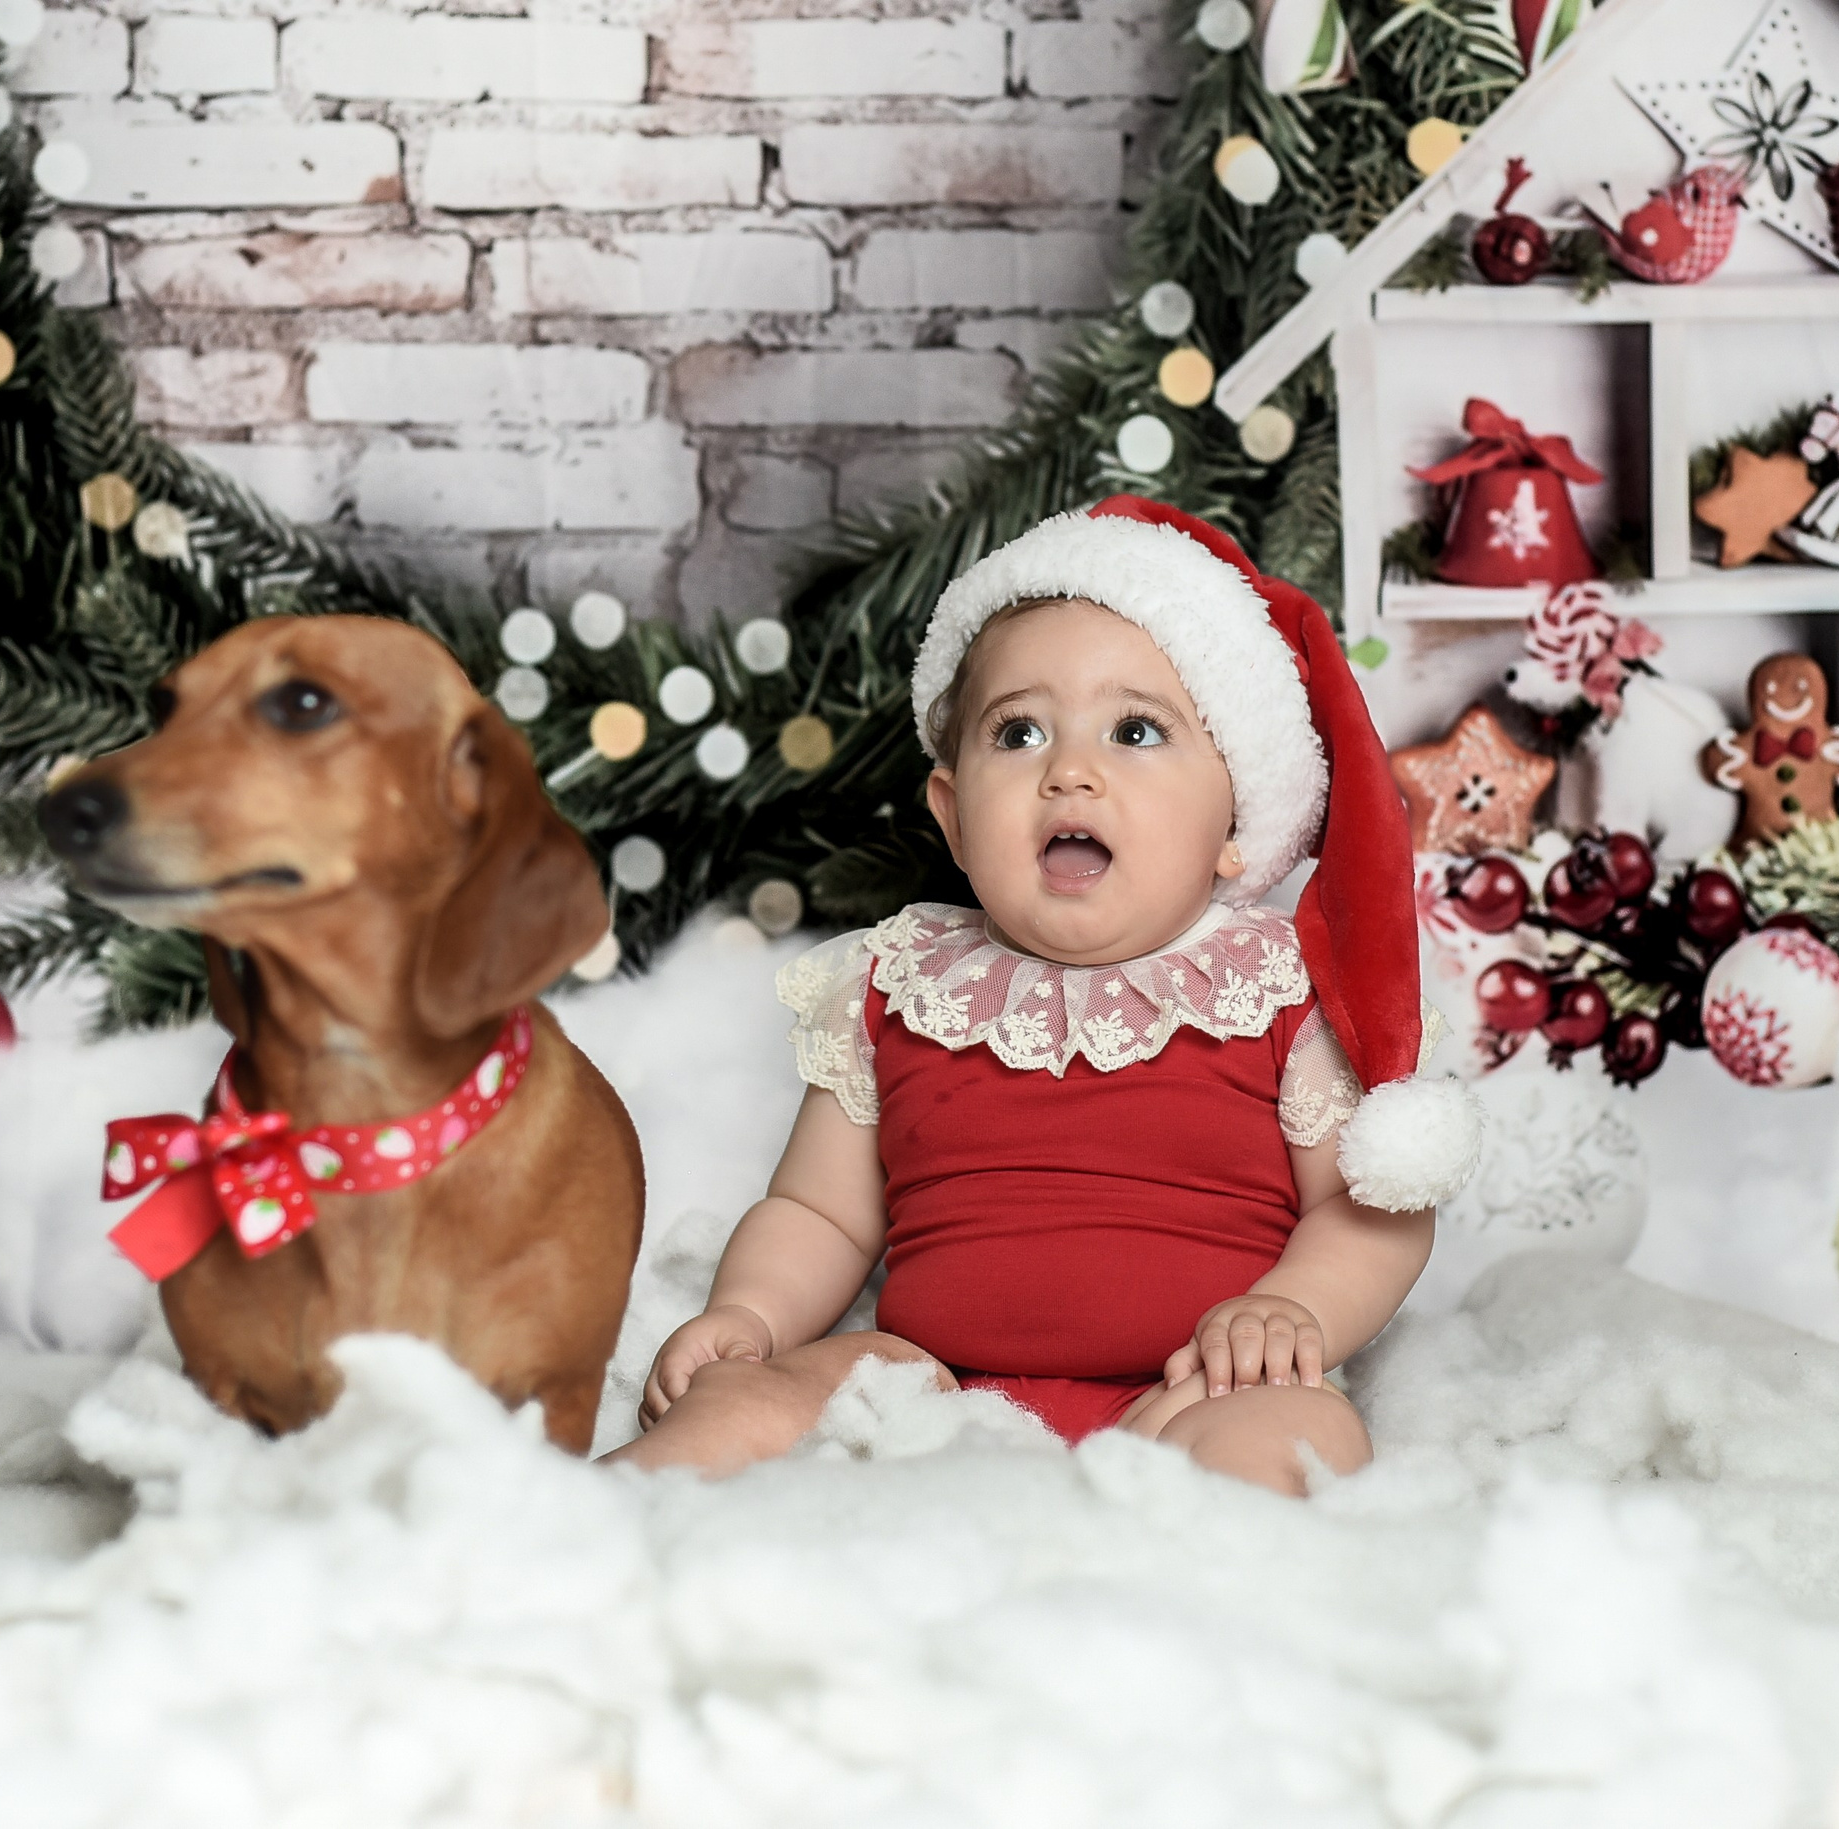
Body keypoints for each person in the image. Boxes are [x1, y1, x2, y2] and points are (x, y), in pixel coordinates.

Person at [607, 496, 1481, 1494]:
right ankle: (610, 1516)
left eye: (1135, 730)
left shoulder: (1274, 988)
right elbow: (819, 1209)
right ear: (951, 813)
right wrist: (749, 1316)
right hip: (930, 1385)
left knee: (1288, 1432)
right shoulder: (900, 982)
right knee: (761, 1400)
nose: (1071, 770)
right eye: (1017, 730)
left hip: (1194, 1382)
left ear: (1235, 821)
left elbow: (1369, 1210)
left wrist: (1295, 1311)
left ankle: (1220, 1592)